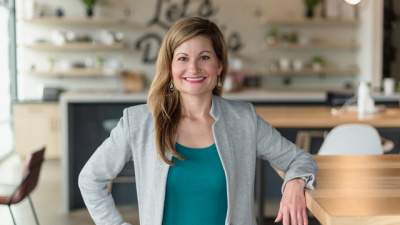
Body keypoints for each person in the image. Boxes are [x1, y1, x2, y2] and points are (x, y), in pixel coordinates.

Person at [79, 17, 318, 225]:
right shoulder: (139, 122)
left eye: (204, 57)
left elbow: (299, 158)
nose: (193, 68)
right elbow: (90, 180)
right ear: (170, 67)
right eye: (182, 58)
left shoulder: (244, 119)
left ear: (219, 65)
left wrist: (295, 182)